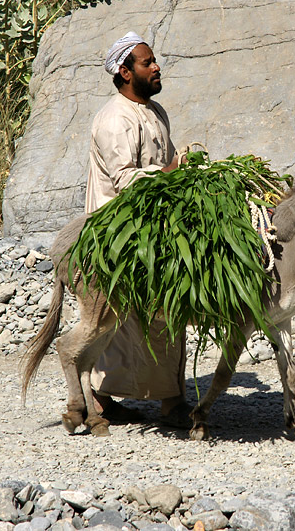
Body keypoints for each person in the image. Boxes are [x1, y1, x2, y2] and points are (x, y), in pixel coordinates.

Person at [83, 31, 191, 427]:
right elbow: (125, 180)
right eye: (148, 63)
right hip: (119, 233)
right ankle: (98, 397)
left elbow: (169, 159)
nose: (157, 66)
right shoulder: (115, 119)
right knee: (123, 320)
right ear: (126, 72)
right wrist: (170, 173)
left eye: (154, 60)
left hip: (153, 227)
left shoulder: (156, 112)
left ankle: (170, 399)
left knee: (166, 311)